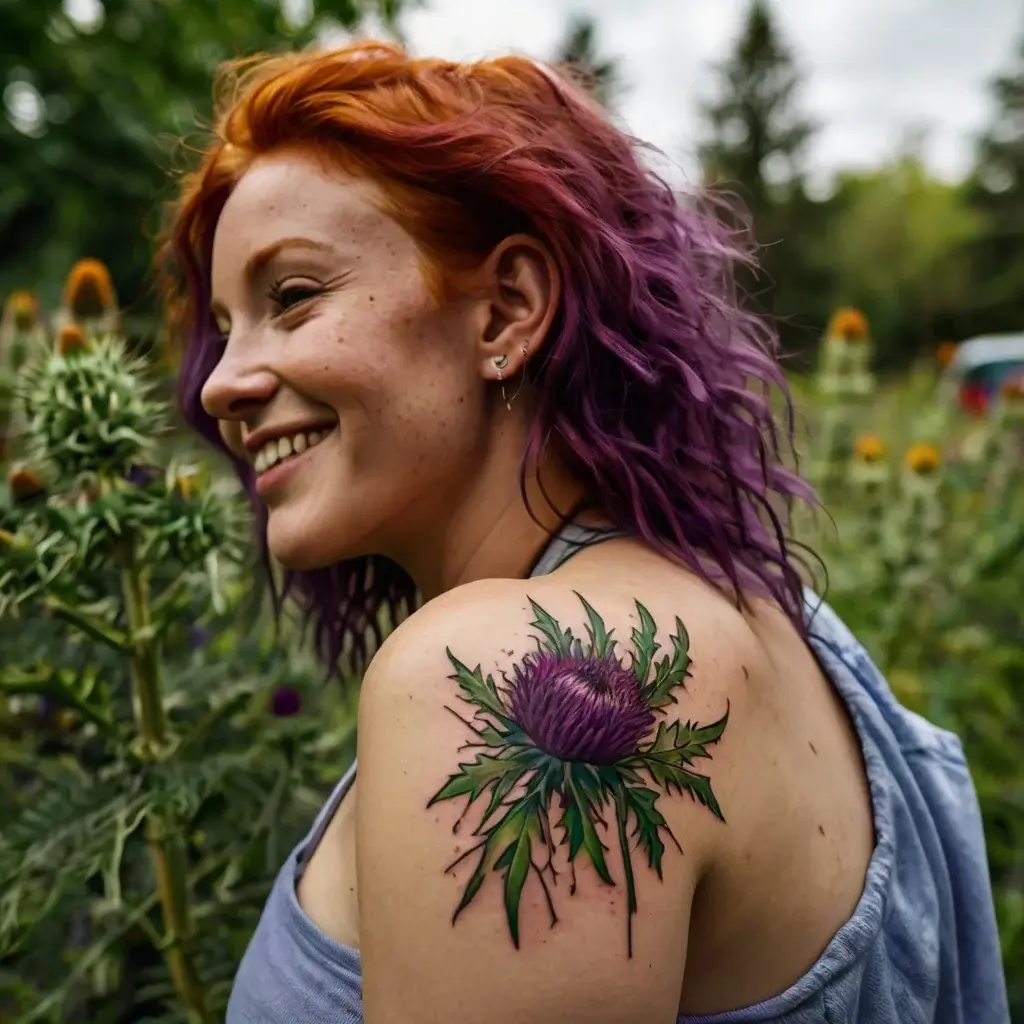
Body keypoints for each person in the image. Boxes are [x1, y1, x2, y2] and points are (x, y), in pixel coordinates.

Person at [163, 41, 1008, 1024]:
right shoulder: (781, 621)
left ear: (507, 312)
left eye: (293, 297)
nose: (222, 382)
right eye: (225, 326)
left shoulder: (486, 672)